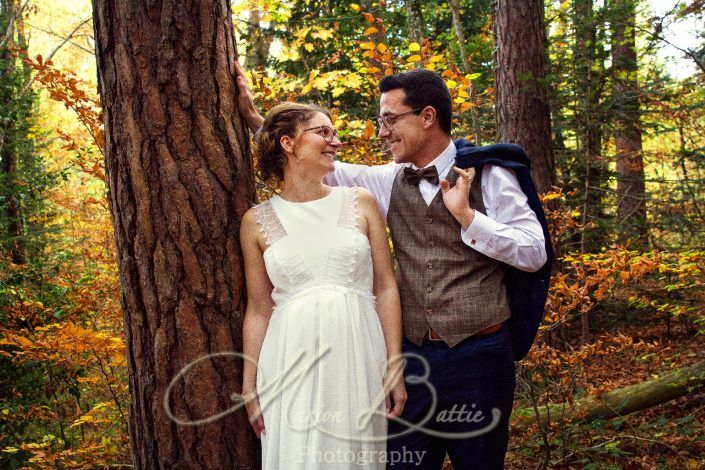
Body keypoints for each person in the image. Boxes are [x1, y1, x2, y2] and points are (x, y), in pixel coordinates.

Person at [237, 66, 548, 468]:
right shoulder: (386, 181)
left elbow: (533, 251)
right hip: (412, 361)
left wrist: (469, 218)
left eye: (389, 119)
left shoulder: (491, 174)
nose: (382, 132)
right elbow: (309, 165)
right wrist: (255, 119)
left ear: (427, 116)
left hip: (481, 357)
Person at [239, 101, 407, 470]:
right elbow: (259, 309)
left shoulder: (360, 203)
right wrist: (249, 385)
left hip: (357, 355)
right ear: (288, 143)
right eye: (324, 132)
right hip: (287, 362)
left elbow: (385, 287)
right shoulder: (256, 221)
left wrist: (394, 361)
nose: (336, 141)